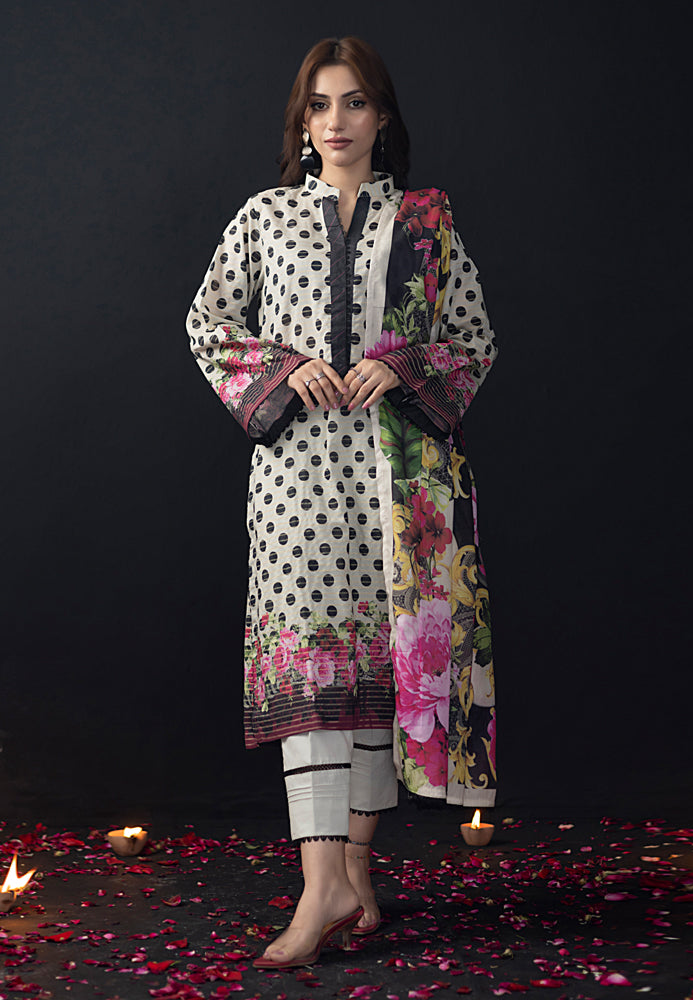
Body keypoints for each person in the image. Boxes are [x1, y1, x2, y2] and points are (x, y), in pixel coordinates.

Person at [188, 36, 497, 969]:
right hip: (297, 479)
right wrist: (287, 368)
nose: (336, 121)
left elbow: (473, 339)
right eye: (319, 105)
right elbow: (209, 323)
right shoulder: (265, 217)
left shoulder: (425, 225)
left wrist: (399, 366)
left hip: (400, 479)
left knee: (381, 672)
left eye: (354, 102)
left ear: (382, 116)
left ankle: (355, 866)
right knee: (315, 670)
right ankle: (318, 880)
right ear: (301, 121)